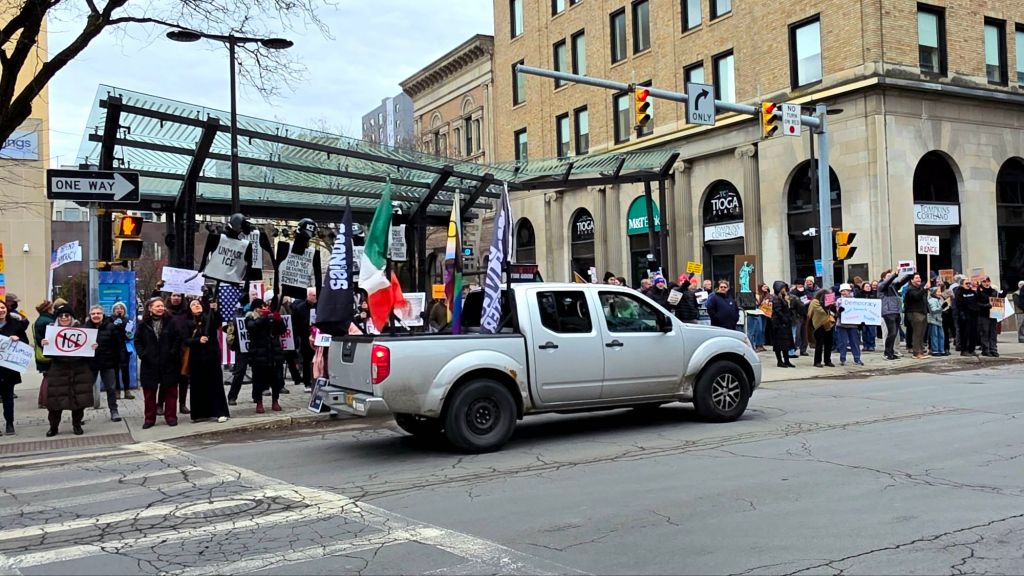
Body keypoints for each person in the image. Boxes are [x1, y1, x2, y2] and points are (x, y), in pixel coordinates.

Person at [39, 305, 93, 436]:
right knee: (55, 402)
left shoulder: (82, 331)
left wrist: (93, 347)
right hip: (58, 370)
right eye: (61, 316)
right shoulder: (52, 332)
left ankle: (77, 425)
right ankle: (53, 426)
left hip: (79, 369)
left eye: (67, 315)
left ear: (72, 317)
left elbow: (90, 352)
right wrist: (44, 346)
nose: (64, 318)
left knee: (78, 400)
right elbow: (47, 355)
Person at [136, 297, 183, 428]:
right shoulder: (143, 323)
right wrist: (143, 355)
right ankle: (149, 419)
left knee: (171, 392)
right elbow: (137, 341)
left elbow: (178, 339)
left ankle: (171, 417)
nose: (160, 308)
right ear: (150, 308)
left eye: (162, 306)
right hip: (149, 364)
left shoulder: (171, 322)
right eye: (157, 306)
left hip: (168, 363)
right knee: (149, 393)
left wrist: (173, 353)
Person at [184, 299, 230, 423]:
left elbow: (218, 323)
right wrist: (197, 341)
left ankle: (220, 412)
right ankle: (200, 413)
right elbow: (185, 340)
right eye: (193, 305)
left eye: (198, 303)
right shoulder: (187, 322)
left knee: (215, 384)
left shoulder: (209, 317)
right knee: (198, 385)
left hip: (211, 356)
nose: (196, 305)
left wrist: (215, 310)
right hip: (196, 358)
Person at [245, 298, 287, 413]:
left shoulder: (270, 318)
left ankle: (275, 401)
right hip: (258, 354)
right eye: (261, 307)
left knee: (276, 379)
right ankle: (259, 402)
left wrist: (278, 320)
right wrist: (265, 317)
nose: (263, 309)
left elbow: (281, 330)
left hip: (273, 353)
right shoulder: (250, 317)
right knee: (258, 380)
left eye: (265, 307)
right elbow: (253, 327)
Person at [84, 305, 123, 422]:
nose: (96, 316)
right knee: (85, 389)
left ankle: (114, 411)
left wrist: (120, 360)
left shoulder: (111, 327)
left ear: (103, 315)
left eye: (98, 313)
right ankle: (79, 414)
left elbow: (119, 345)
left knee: (111, 389)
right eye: (93, 314)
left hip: (108, 363)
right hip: (91, 364)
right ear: (90, 315)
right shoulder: (85, 328)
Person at [0, 300, 29, 435]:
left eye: (2, 308)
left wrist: (18, 339)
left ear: (6, 309)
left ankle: (9, 423)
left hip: (8, 368)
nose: (1, 310)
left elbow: (26, 343)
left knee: (8, 398)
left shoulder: (15, 324)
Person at [877, 269, 912, 360]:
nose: (890, 277)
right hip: (888, 312)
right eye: (888, 276)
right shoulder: (881, 286)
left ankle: (891, 352)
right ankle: (886, 353)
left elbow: (902, 281)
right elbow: (886, 283)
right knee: (891, 333)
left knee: (894, 333)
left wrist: (911, 272)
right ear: (883, 278)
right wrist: (894, 275)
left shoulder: (894, 286)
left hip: (896, 311)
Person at [164, 293, 191, 415]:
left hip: (184, 348)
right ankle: (160, 404)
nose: (176, 298)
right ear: (170, 297)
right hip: (169, 349)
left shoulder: (186, 312)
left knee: (183, 378)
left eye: (179, 296)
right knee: (167, 379)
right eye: (174, 295)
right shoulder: (165, 312)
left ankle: (182, 404)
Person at [290, 287, 317, 390]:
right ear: (308, 296)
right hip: (305, 337)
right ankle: (307, 382)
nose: (315, 297)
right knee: (307, 360)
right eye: (313, 295)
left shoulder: (319, 306)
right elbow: (295, 325)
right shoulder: (300, 308)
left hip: (317, 337)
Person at [33, 300, 57, 410]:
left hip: (42, 353)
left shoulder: (39, 320)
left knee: (46, 376)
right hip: (48, 353)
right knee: (49, 377)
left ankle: (43, 400)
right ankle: (45, 400)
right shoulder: (48, 321)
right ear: (48, 309)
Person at [110, 302, 135, 399]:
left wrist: (130, 335)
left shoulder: (128, 321)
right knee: (115, 371)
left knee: (125, 370)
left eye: (121, 308)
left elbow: (129, 334)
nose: (119, 310)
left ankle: (127, 390)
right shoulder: (109, 320)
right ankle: (117, 390)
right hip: (113, 348)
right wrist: (114, 326)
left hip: (124, 348)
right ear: (113, 310)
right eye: (117, 308)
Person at [976, 277, 1005, 357]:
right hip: (983, 315)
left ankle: (993, 349)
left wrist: (1004, 292)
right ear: (981, 282)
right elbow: (976, 303)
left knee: (993, 333)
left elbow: (999, 299)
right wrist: (986, 306)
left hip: (993, 314)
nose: (986, 283)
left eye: (988, 281)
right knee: (985, 332)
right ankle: (986, 350)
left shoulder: (993, 291)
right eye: (984, 281)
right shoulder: (978, 291)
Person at [903, 273, 930, 359]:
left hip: (922, 312)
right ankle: (916, 352)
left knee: (922, 333)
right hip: (915, 313)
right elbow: (916, 297)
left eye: (919, 277)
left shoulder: (920, 289)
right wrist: (924, 289)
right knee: (917, 333)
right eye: (916, 278)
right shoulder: (910, 290)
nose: (919, 279)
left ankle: (921, 350)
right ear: (912, 280)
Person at [807, 289, 836, 368]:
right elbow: (820, 311)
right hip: (818, 325)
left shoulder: (828, 304)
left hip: (828, 324)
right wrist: (825, 306)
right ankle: (817, 361)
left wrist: (833, 307)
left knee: (828, 343)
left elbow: (833, 312)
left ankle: (827, 360)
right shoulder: (815, 302)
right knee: (819, 344)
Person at [835, 284, 863, 366]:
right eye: (842, 291)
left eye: (845, 291)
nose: (844, 292)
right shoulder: (839, 301)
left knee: (854, 342)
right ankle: (842, 359)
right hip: (841, 324)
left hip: (853, 324)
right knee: (842, 343)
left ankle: (857, 358)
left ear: (849, 291)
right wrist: (839, 311)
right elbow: (836, 313)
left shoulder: (855, 301)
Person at [770, 281, 796, 368]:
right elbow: (778, 310)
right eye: (783, 288)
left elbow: (787, 308)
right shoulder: (776, 298)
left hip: (785, 323)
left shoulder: (784, 297)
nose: (784, 290)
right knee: (779, 343)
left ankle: (786, 360)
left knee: (786, 343)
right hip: (779, 324)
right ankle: (780, 361)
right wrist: (784, 319)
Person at [954, 277, 981, 356]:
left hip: (973, 315)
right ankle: (964, 350)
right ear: (962, 284)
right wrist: (962, 314)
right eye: (966, 283)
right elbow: (958, 304)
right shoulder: (959, 292)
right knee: (965, 334)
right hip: (965, 315)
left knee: (973, 333)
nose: (968, 285)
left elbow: (977, 301)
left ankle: (971, 349)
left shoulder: (973, 292)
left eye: (969, 283)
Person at [746, 283, 769, 352]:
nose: (766, 288)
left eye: (766, 286)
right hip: (757, 313)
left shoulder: (767, 294)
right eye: (764, 287)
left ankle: (761, 344)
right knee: (758, 329)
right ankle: (756, 344)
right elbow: (757, 304)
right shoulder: (757, 295)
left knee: (762, 330)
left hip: (764, 313)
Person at [927, 286, 948, 357]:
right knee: (934, 336)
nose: (940, 293)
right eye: (938, 292)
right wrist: (942, 307)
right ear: (934, 293)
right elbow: (933, 311)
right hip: (933, 320)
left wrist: (943, 308)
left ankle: (941, 350)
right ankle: (935, 350)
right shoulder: (932, 300)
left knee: (941, 335)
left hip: (939, 320)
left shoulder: (939, 299)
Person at [857, 281, 877, 352]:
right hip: (863, 316)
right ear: (863, 287)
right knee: (864, 331)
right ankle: (865, 345)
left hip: (872, 316)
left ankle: (871, 345)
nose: (868, 288)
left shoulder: (874, 294)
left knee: (871, 331)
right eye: (866, 287)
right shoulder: (860, 294)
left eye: (869, 286)